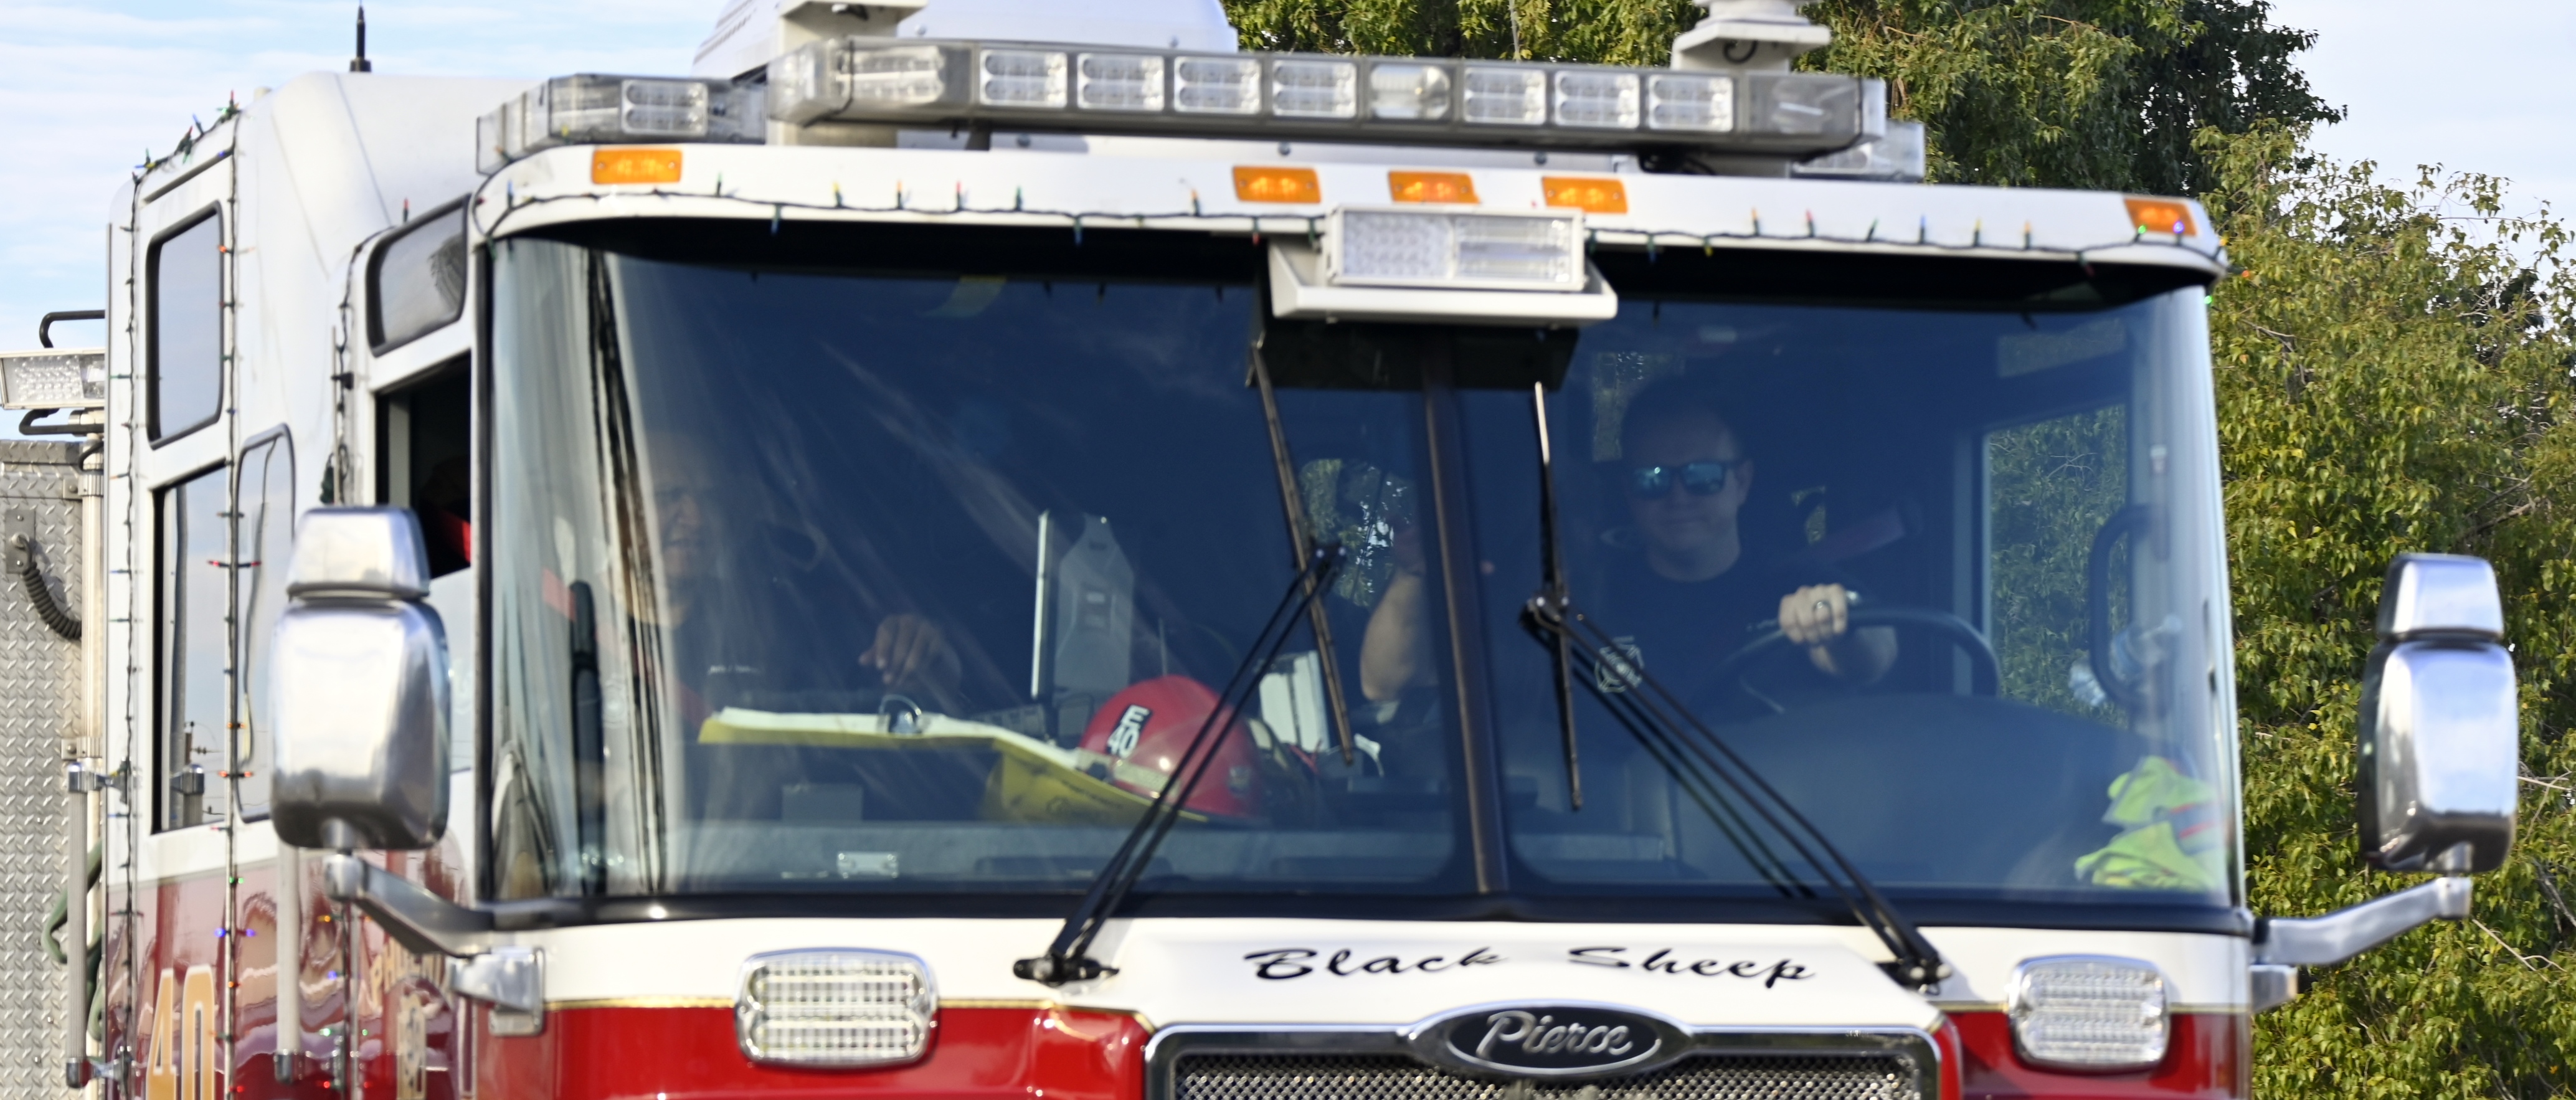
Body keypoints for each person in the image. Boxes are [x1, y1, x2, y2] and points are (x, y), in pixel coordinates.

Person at [1356, 376, 1892, 712]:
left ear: (1743, 482)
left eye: (1702, 476)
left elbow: (1873, 658)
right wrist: (1415, 576)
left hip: (1765, 850)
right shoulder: (1575, 598)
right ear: (1628, 491)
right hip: (1615, 852)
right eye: (1652, 479)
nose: (1677, 496)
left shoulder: (1799, 589)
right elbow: (1383, 683)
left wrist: (1836, 624)